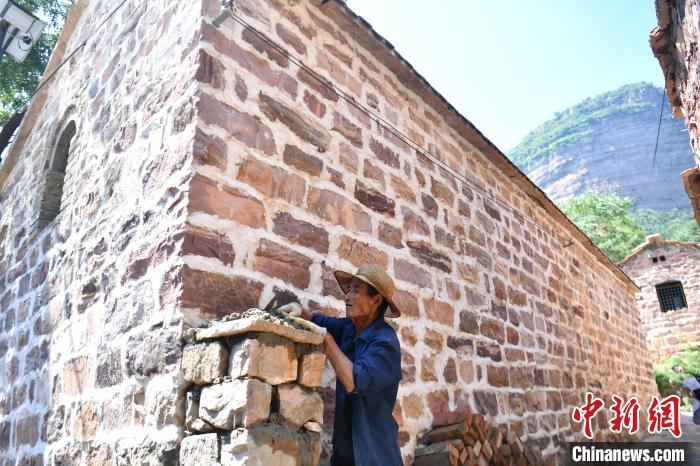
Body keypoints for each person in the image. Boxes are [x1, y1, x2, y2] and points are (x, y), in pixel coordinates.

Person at [279, 264, 403, 466]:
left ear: (376, 300)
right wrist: (300, 312)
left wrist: (327, 340)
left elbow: (354, 380)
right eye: (348, 290)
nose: (347, 297)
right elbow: (321, 321)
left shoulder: (385, 343)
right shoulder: (350, 328)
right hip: (344, 454)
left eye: (356, 291)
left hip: (374, 456)